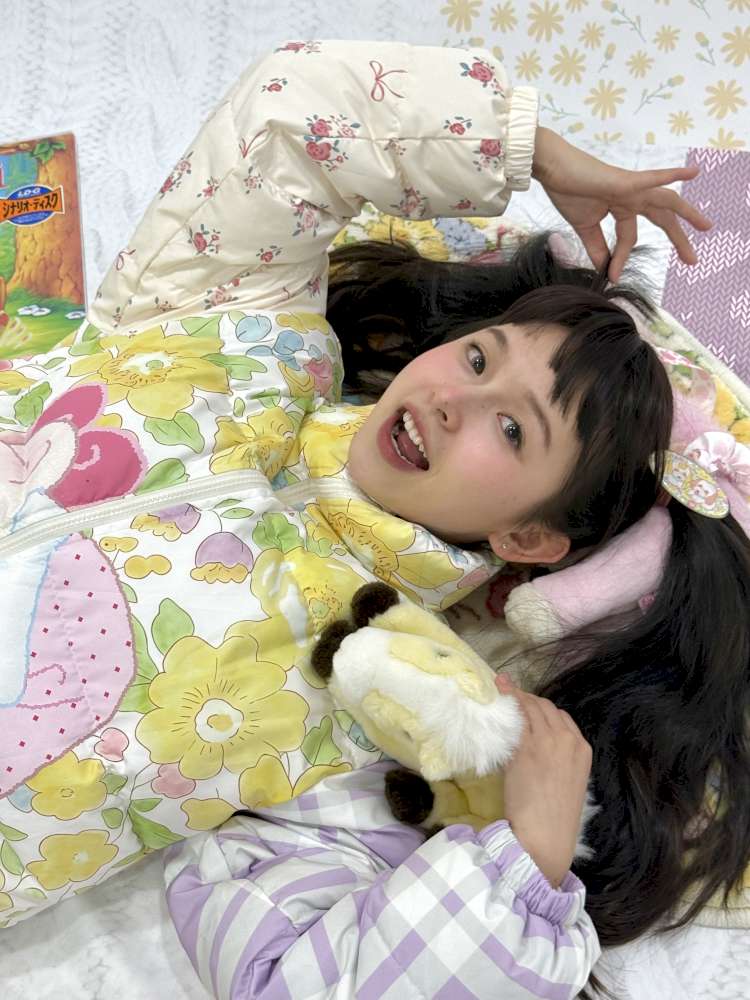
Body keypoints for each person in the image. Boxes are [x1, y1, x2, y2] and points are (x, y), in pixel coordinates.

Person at [1, 39, 746, 999]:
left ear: (526, 539)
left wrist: (522, 863)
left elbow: (301, 978)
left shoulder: (381, 691)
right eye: (478, 359)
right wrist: (533, 148)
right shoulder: (237, 329)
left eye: (512, 429)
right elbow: (286, 119)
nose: (453, 401)